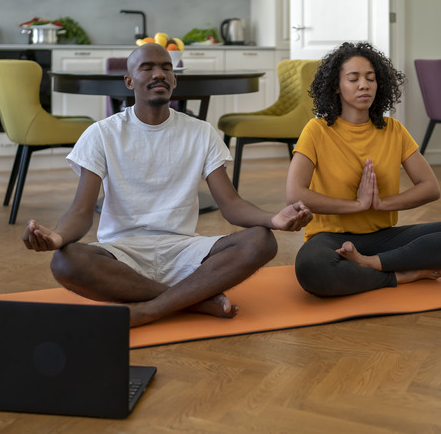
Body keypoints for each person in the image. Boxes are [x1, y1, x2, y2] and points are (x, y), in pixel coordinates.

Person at [23, 43, 312, 326]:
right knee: (65, 261)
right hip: (121, 254)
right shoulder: (101, 134)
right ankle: (194, 301)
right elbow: (80, 211)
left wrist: (273, 219)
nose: (158, 74)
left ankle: (147, 311)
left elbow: (232, 206)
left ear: (174, 79)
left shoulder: (201, 132)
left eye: (165, 68)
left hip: (184, 250)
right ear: (129, 81)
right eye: (146, 68)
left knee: (260, 240)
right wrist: (58, 238)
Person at [285, 42, 441, 297]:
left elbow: (430, 187)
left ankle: (372, 265)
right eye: (353, 78)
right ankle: (399, 275)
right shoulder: (317, 130)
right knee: (312, 269)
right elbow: (295, 195)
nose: (364, 85)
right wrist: (357, 205)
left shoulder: (394, 129)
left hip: (384, 238)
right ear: (336, 86)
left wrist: (382, 204)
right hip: (331, 238)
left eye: (371, 78)